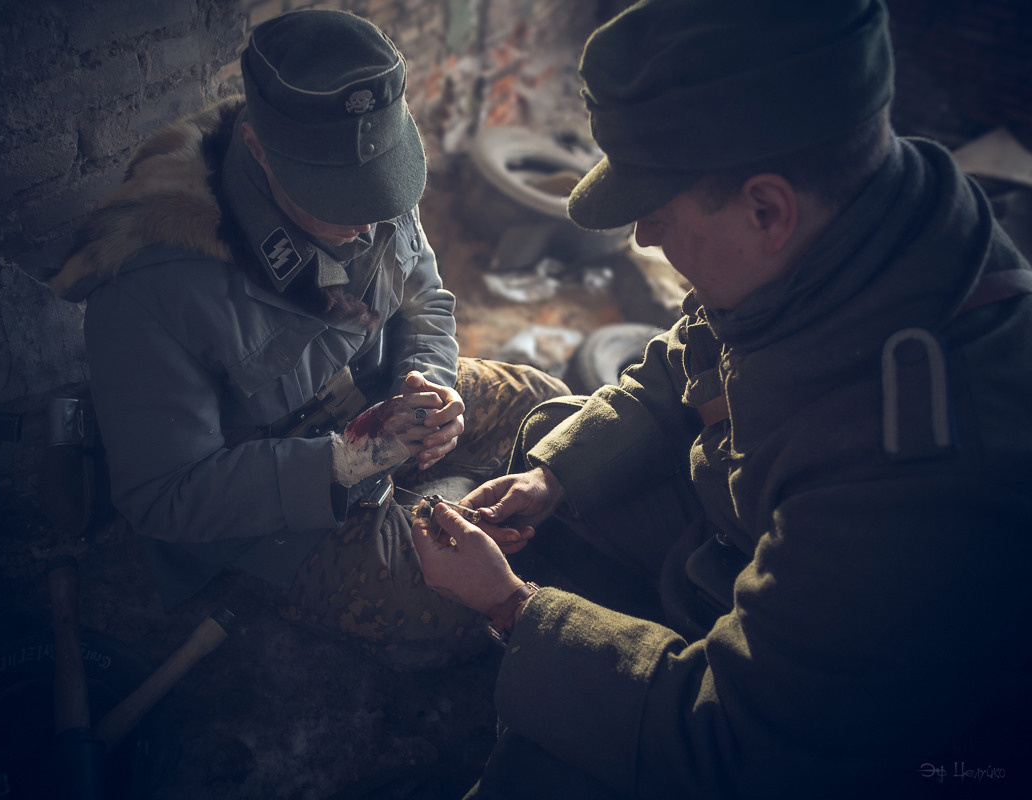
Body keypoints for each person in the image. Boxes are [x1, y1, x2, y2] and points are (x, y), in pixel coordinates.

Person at [412, 0, 1032, 795]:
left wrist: (512, 609)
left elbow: (739, 740)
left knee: (549, 768)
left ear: (766, 208)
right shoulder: (853, 221)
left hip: (829, 742)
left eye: (658, 214)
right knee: (558, 436)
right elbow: (685, 360)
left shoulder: (918, 463)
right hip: (745, 543)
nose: (641, 239)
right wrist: (552, 477)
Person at [49, 9, 567, 670]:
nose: (371, 218)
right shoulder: (148, 283)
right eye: (339, 199)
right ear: (260, 150)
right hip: (278, 509)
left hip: (381, 415)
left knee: (550, 412)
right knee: (452, 608)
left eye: (380, 188)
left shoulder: (366, 172)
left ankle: (439, 507)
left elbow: (426, 299)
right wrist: (347, 464)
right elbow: (164, 496)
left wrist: (429, 382)